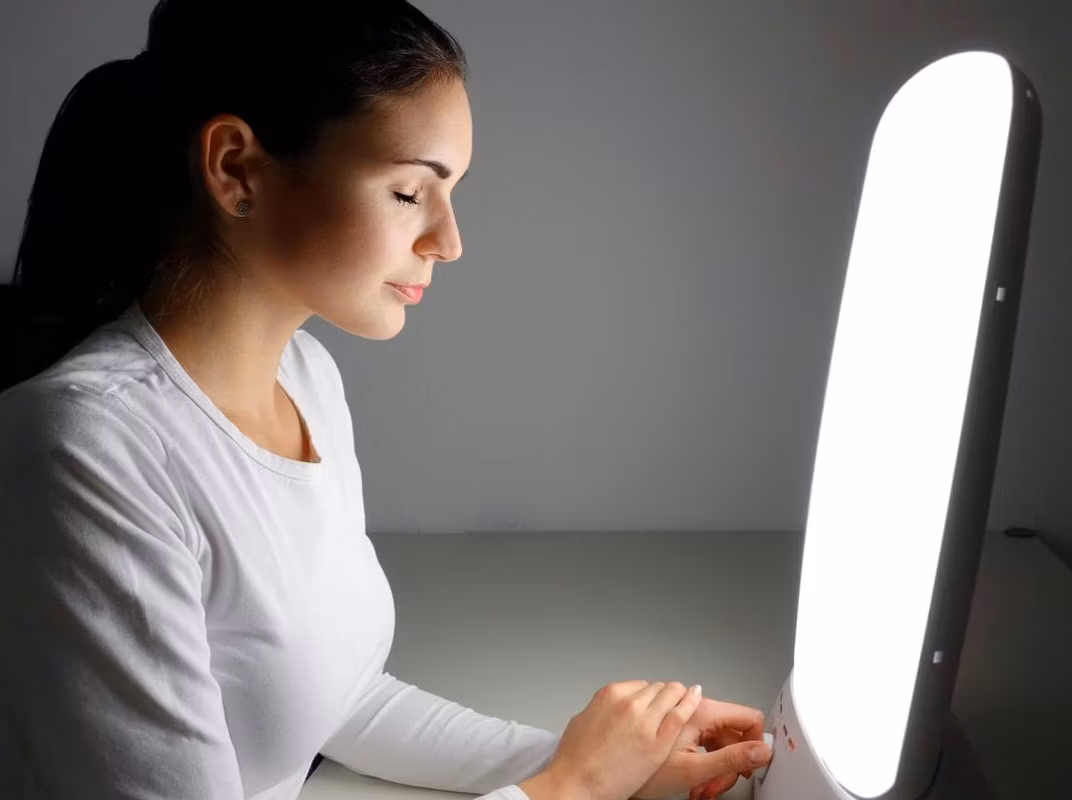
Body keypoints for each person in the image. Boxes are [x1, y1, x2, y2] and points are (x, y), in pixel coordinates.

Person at [0, 2, 775, 799]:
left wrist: (614, 766)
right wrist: (570, 788)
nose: (448, 239)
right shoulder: (84, 449)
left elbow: (339, 699)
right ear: (235, 168)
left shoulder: (307, 380)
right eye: (410, 193)